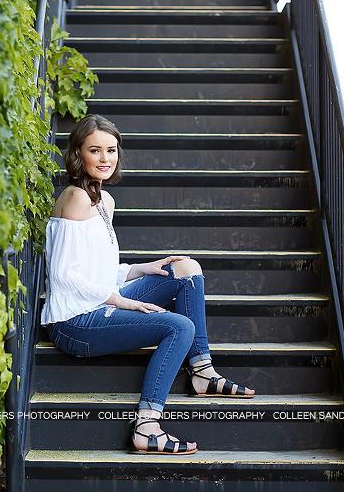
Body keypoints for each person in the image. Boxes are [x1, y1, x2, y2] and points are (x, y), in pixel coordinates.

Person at [41, 114, 255, 455]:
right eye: (95, 150)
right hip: (74, 323)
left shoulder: (104, 201)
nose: (105, 159)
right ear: (78, 154)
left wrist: (142, 269)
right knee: (179, 327)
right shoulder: (76, 197)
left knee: (186, 268)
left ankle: (202, 371)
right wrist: (123, 302)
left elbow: (99, 270)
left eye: (111, 150)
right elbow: (66, 275)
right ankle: (146, 426)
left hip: (98, 302)